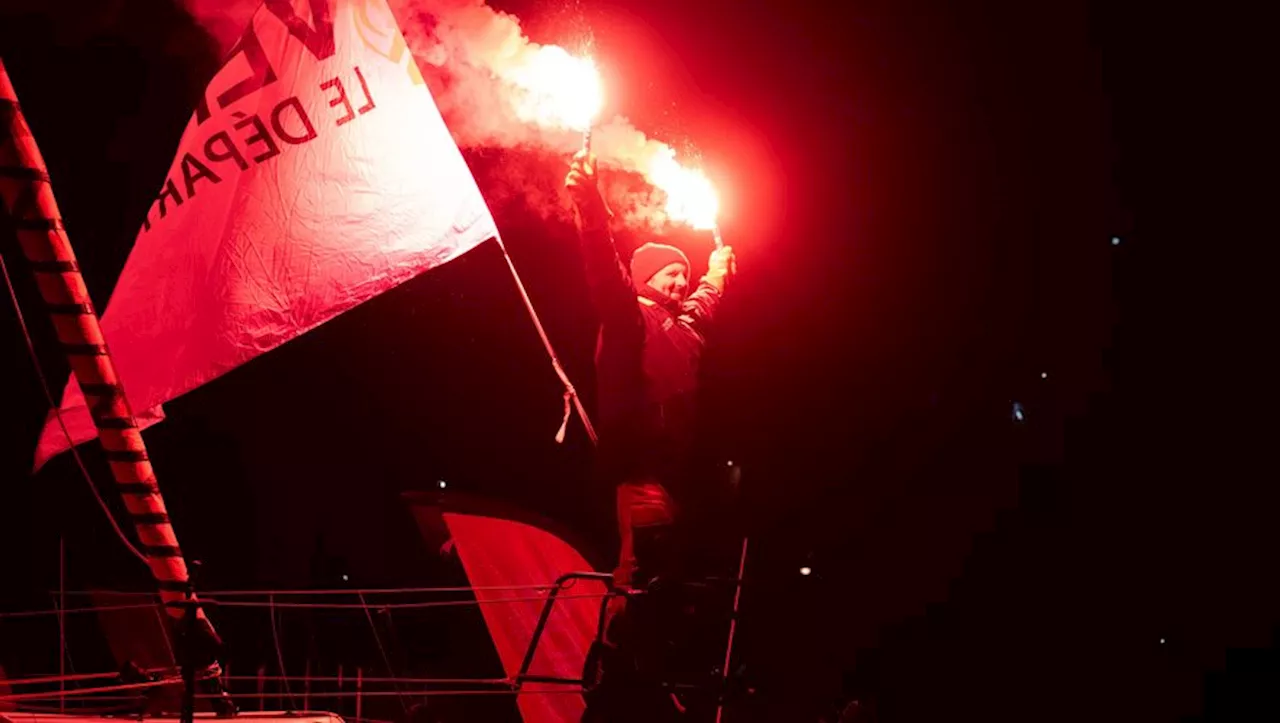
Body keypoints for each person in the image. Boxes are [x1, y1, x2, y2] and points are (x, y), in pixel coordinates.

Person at [565, 150, 737, 721]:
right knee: (645, 567)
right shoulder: (627, 317)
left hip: (674, 475)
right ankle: (617, 665)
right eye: (672, 274)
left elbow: (707, 301)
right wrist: (590, 208)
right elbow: (602, 270)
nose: (682, 282)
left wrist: (718, 267)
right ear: (643, 280)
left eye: (685, 277)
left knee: (664, 573)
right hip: (638, 470)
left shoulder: (684, 327)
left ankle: (639, 667)